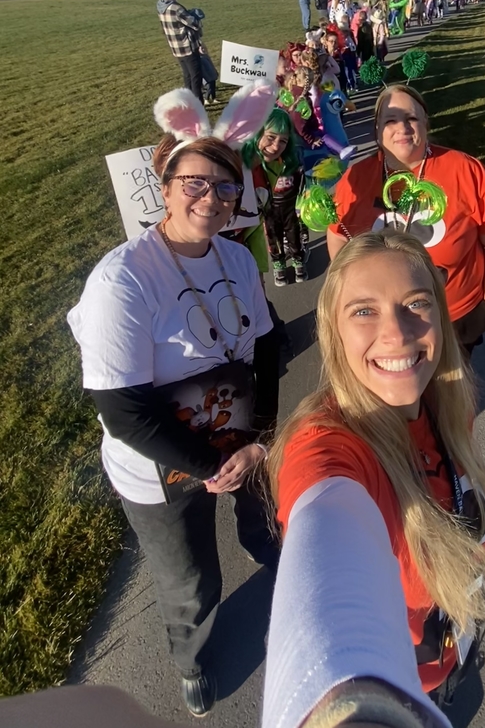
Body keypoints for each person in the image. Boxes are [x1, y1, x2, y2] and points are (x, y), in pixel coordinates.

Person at [67, 83, 280, 718]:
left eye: (224, 187)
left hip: (235, 438)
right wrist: (213, 463)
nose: (211, 199)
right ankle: (191, 658)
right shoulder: (123, 280)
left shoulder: (236, 258)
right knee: (190, 582)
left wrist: (257, 436)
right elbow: (123, 410)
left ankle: (260, 544)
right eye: (195, 183)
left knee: (259, 509)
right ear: (165, 184)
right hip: (161, 465)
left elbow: (267, 347)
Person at [268, 232, 485, 706]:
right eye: (364, 311)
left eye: (416, 303)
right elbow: (322, 542)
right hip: (398, 692)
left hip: (456, 646)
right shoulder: (327, 445)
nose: (397, 332)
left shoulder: (446, 400)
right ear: (333, 330)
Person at [327, 84, 485, 353]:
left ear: (425, 124)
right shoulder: (355, 180)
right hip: (385, 325)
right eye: (390, 120)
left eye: (411, 118)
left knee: (451, 392)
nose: (402, 127)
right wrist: (349, 290)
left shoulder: (466, 171)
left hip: (453, 317)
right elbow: (337, 233)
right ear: (377, 131)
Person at [242, 107, 307, 286]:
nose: (276, 146)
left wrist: (260, 269)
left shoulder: (274, 167)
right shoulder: (235, 162)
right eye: (270, 137)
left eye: (283, 141)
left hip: (248, 251)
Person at [156, 0, 204, 103]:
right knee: (195, 77)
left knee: (187, 76)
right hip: (187, 47)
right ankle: (198, 104)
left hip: (175, 47)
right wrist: (197, 17)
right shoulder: (176, 8)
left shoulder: (161, 7)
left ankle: (187, 101)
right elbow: (194, 24)